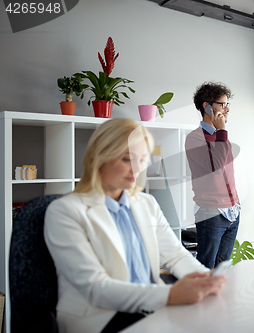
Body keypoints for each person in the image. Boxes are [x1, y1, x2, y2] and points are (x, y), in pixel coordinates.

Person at [44, 118, 225, 333]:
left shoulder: (146, 203)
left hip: (149, 307)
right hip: (99, 318)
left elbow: (175, 256)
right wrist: (170, 295)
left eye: (142, 160)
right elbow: (95, 287)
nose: (136, 168)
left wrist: (205, 279)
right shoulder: (65, 211)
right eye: (127, 159)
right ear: (99, 158)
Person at [185, 82, 240, 269]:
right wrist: (222, 131)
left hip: (232, 212)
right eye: (222, 105)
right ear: (206, 106)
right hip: (211, 214)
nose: (227, 110)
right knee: (206, 270)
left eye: (227, 104)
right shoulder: (195, 138)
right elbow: (215, 166)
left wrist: (236, 203)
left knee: (223, 271)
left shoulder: (221, 137)